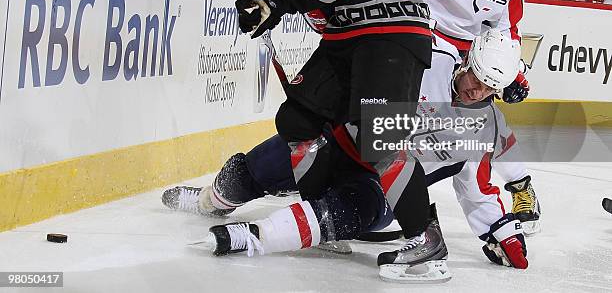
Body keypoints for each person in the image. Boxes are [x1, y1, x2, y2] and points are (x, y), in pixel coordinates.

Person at [231, 0, 438, 280]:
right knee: (298, 120)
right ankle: (332, 219)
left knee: (378, 139)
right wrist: (278, 1)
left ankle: (426, 239)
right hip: (355, 38)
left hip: (391, 37)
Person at [164, 30, 528, 273]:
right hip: (341, 142)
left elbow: (476, 188)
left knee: (361, 208)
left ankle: (268, 234)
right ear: (467, 61)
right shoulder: (427, 56)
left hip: (381, 187)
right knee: (260, 166)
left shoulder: (479, 129)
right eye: (476, 79)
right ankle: (212, 200)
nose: (476, 92)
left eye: (489, 89)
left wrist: (503, 232)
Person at [403, 0, 541, 235]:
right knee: (432, 118)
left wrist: (515, 73)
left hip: (473, 50)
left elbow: (507, 28)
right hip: (425, 34)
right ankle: (399, 190)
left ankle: (520, 186)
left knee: (485, 119)